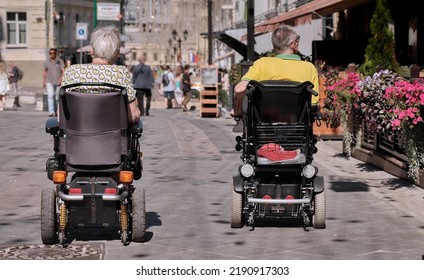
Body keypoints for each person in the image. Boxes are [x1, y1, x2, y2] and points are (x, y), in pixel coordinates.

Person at [233, 24, 319, 117]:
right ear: (294, 43)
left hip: (265, 121)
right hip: (297, 123)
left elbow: (239, 89)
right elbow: (313, 103)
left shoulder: (262, 63)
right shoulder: (309, 68)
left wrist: (237, 111)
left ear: (274, 45)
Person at [61, 26, 140, 124]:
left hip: (76, 136)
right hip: (112, 137)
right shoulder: (121, 73)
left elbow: (60, 115)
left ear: (91, 51)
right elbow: (133, 115)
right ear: (117, 54)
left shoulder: (71, 72)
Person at [43, 48, 65, 117]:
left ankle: (56, 111)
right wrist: (43, 81)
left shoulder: (59, 61)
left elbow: (63, 71)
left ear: (56, 53)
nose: (52, 54)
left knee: (57, 97)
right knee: (50, 96)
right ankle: (51, 112)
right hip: (49, 81)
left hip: (58, 82)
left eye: (53, 53)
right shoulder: (47, 62)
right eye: (50, 53)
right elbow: (44, 72)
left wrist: (61, 79)